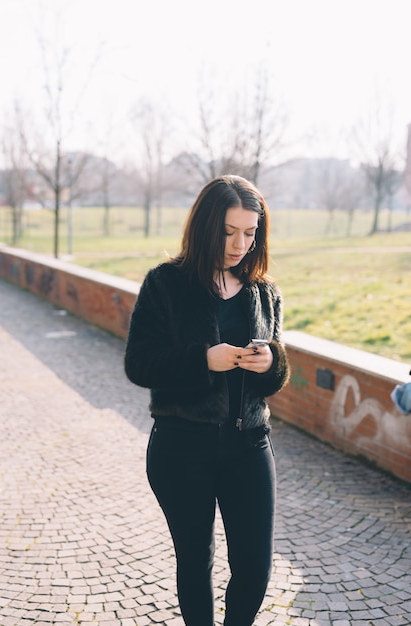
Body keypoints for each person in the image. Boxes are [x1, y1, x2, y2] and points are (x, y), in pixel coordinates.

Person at [124, 175, 290, 626]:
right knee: (196, 562)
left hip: (249, 446)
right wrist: (203, 361)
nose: (240, 244)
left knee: (255, 568)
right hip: (182, 447)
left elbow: (277, 375)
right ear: (205, 227)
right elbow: (139, 364)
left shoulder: (263, 291)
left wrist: (270, 362)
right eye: (229, 232)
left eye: (250, 232)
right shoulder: (166, 284)